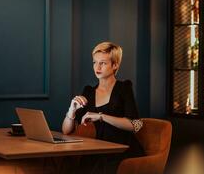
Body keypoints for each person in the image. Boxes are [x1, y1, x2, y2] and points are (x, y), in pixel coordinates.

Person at [62, 41, 145, 174]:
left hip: (121, 151)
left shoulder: (124, 88)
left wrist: (101, 116)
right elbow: (66, 130)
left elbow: (135, 124)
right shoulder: (88, 91)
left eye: (103, 63)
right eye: (95, 62)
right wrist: (71, 110)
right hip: (97, 151)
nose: (97, 67)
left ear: (115, 65)